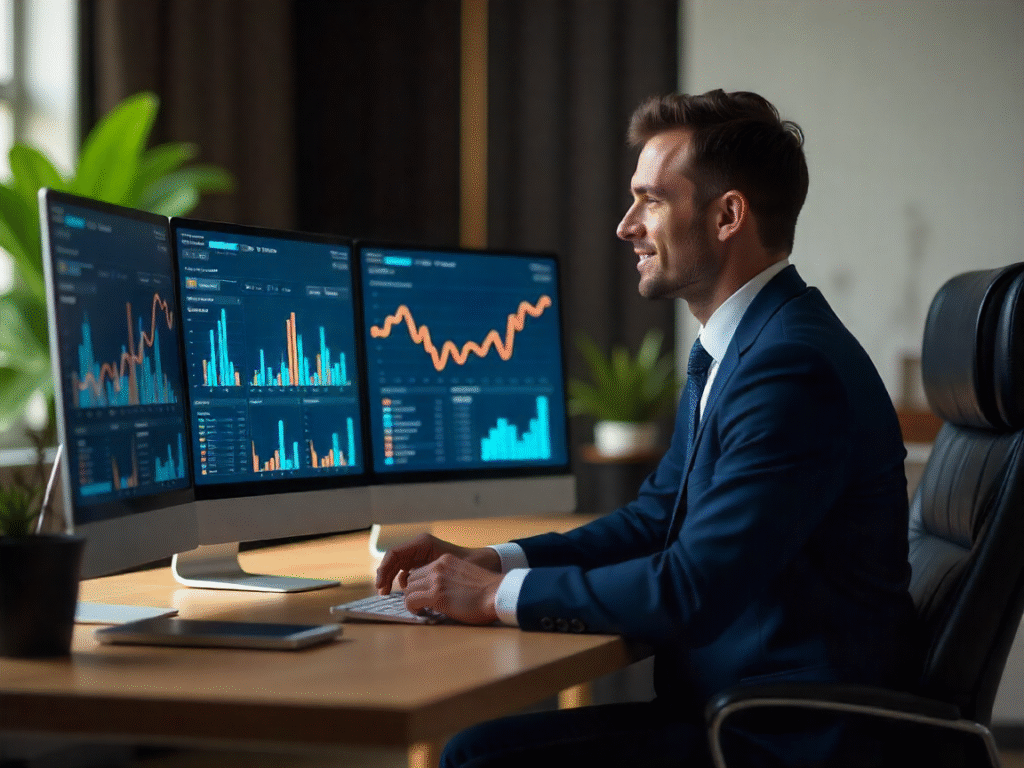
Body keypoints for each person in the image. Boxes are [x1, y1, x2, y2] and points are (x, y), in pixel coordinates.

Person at [375, 89, 919, 767]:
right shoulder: (746, 347)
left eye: (651, 199)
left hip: (783, 737)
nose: (626, 225)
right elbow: (655, 521)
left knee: (476, 757)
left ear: (727, 215)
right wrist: (499, 560)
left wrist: (492, 597)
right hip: (742, 710)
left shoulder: (789, 368)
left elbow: (692, 588)